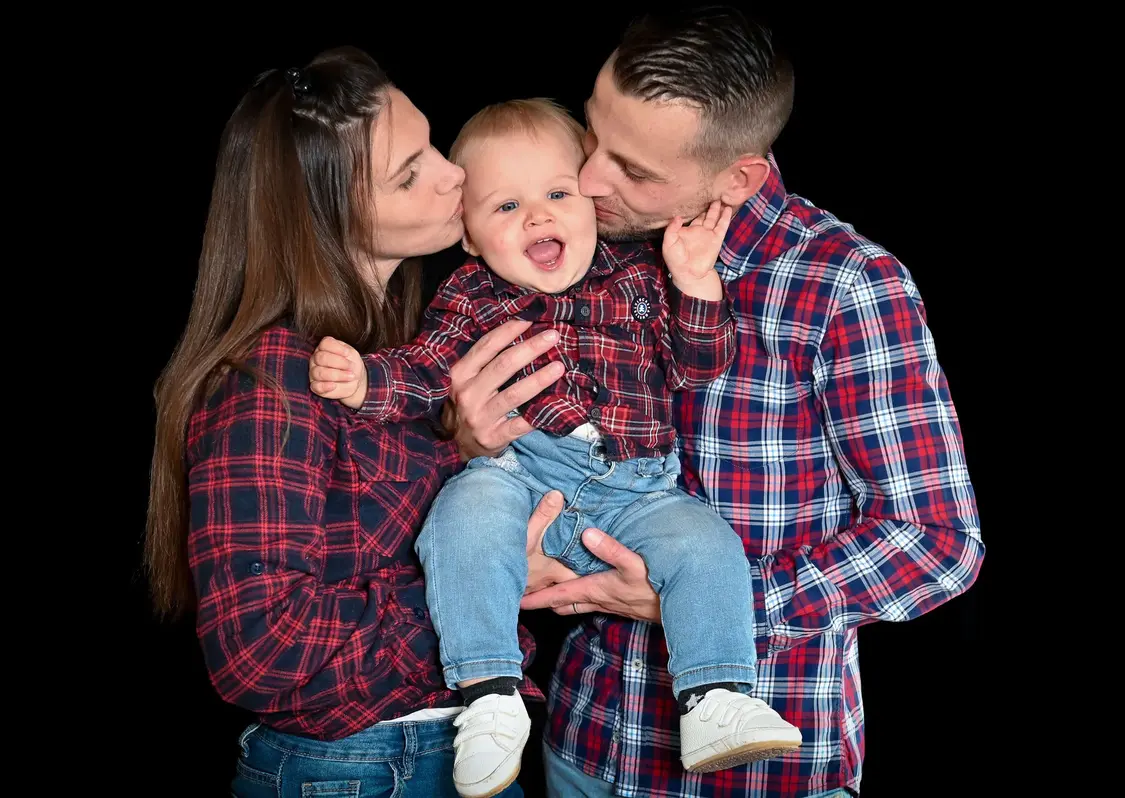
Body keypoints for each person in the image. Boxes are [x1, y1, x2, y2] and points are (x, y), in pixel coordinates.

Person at [450, 8, 987, 797]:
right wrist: (470, 445)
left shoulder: (844, 286)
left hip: (769, 775)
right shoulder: (563, 245)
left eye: (632, 170)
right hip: (588, 747)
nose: (589, 182)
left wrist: (694, 601)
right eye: (593, 140)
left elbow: (938, 543)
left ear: (735, 177)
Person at [308, 97, 804, 798]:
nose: (538, 216)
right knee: (462, 515)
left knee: (706, 544)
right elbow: (427, 368)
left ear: (591, 204)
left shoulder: (638, 274)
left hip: (637, 487)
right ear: (472, 238)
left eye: (557, 193)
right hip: (524, 472)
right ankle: (488, 693)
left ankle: (715, 696)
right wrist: (367, 380)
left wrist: (697, 285)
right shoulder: (471, 297)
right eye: (505, 207)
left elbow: (697, 367)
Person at [142, 45, 564, 797]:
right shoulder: (268, 383)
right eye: (411, 173)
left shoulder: (394, 354)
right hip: (356, 771)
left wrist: (464, 449)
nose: (454, 174)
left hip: (442, 749)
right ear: (325, 215)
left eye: (431, 143)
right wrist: (482, 592)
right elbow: (259, 650)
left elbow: (374, 538)